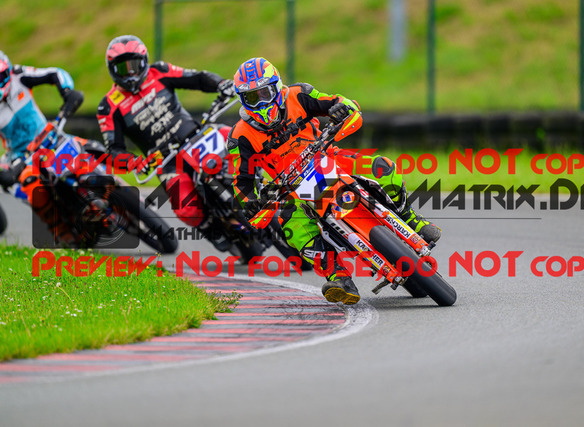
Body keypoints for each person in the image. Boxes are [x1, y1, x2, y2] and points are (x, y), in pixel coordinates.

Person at [227, 57, 441, 305]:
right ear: (242, 100)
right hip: (290, 189)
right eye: (251, 97)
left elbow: (339, 101)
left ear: (277, 87)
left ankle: (410, 219)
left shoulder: (299, 94)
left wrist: (341, 109)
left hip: (329, 156)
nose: (261, 102)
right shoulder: (239, 137)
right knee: (293, 229)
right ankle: (338, 277)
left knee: (384, 167)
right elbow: (241, 181)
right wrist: (250, 202)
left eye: (264, 93)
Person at [96, 35, 236, 239]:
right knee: (186, 208)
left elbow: (197, 78)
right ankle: (212, 229)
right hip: (167, 163)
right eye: (123, 68)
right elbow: (114, 150)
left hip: (197, 137)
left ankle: (263, 183)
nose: (131, 72)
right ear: (112, 69)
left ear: (144, 61)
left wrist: (221, 84)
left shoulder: (159, 71)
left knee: (234, 137)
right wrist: (135, 162)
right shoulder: (108, 106)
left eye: (134, 65)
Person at [0, 50, 84, 243]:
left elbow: (54, 73)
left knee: (86, 148)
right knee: (31, 183)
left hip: (50, 136)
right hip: (21, 156)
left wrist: (67, 92)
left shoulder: (19, 76)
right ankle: (59, 228)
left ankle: (114, 184)